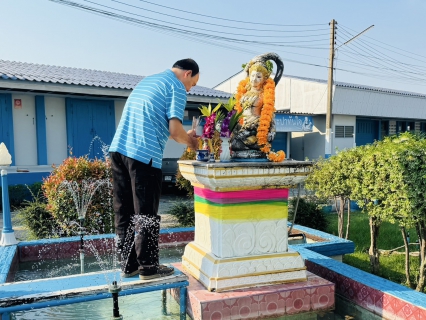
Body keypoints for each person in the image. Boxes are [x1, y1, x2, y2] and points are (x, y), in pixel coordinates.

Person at [109, 59, 199, 280]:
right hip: (144, 155)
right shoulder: (176, 86)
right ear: (187, 73)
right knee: (146, 212)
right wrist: (192, 142)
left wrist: (184, 136)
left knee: (124, 212)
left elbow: (161, 125)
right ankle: (149, 267)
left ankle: (128, 265)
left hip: (119, 150)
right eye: (193, 84)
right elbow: (175, 131)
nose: (190, 89)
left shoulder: (149, 81)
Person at [230, 53, 284, 160]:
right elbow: (245, 71)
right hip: (242, 127)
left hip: (256, 128)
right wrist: (254, 60)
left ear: (264, 79)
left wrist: (272, 130)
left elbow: (270, 113)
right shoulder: (245, 90)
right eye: (253, 76)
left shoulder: (265, 94)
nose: (254, 79)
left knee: (242, 143)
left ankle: (258, 148)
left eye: (259, 77)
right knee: (233, 144)